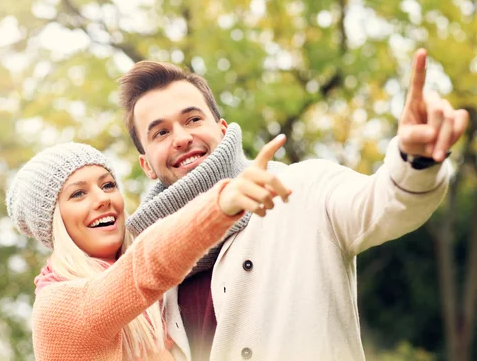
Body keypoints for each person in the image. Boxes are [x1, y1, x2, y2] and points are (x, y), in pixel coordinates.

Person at [119, 48, 470, 361]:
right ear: (146, 164)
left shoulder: (303, 188)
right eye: (160, 132)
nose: (182, 138)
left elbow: (384, 205)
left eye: (193, 119)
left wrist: (416, 160)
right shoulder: (147, 267)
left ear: (223, 130)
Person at [5, 138, 289, 360]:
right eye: (78, 193)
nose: (103, 198)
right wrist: (220, 205)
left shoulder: (153, 303)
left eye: (108, 185)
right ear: (53, 222)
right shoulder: (58, 307)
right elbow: (145, 265)